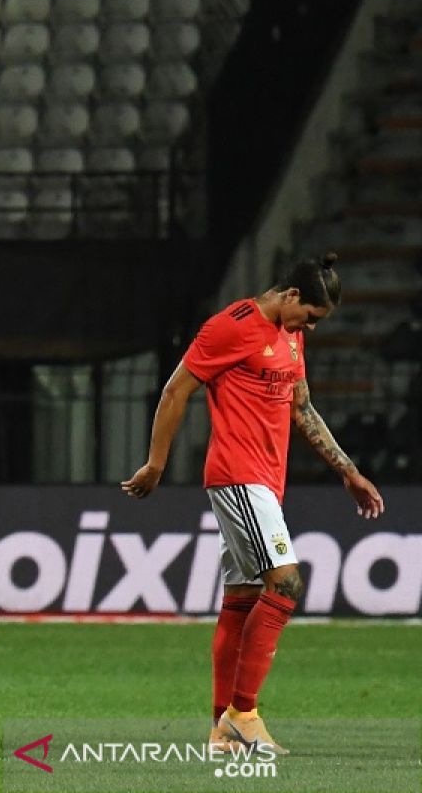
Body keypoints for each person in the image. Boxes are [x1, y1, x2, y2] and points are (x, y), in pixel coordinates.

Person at [122, 253, 384, 753]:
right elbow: (176, 390)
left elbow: (302, 407)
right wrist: (156, 464)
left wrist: (347, 470)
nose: (310, 326)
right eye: (309, 315)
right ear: (289, 296)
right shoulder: (230, 327)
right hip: (239, 477)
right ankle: (243, 714)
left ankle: (223, 731)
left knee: (243, 601)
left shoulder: (290, 334)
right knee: (285, 583)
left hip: (267, 482)